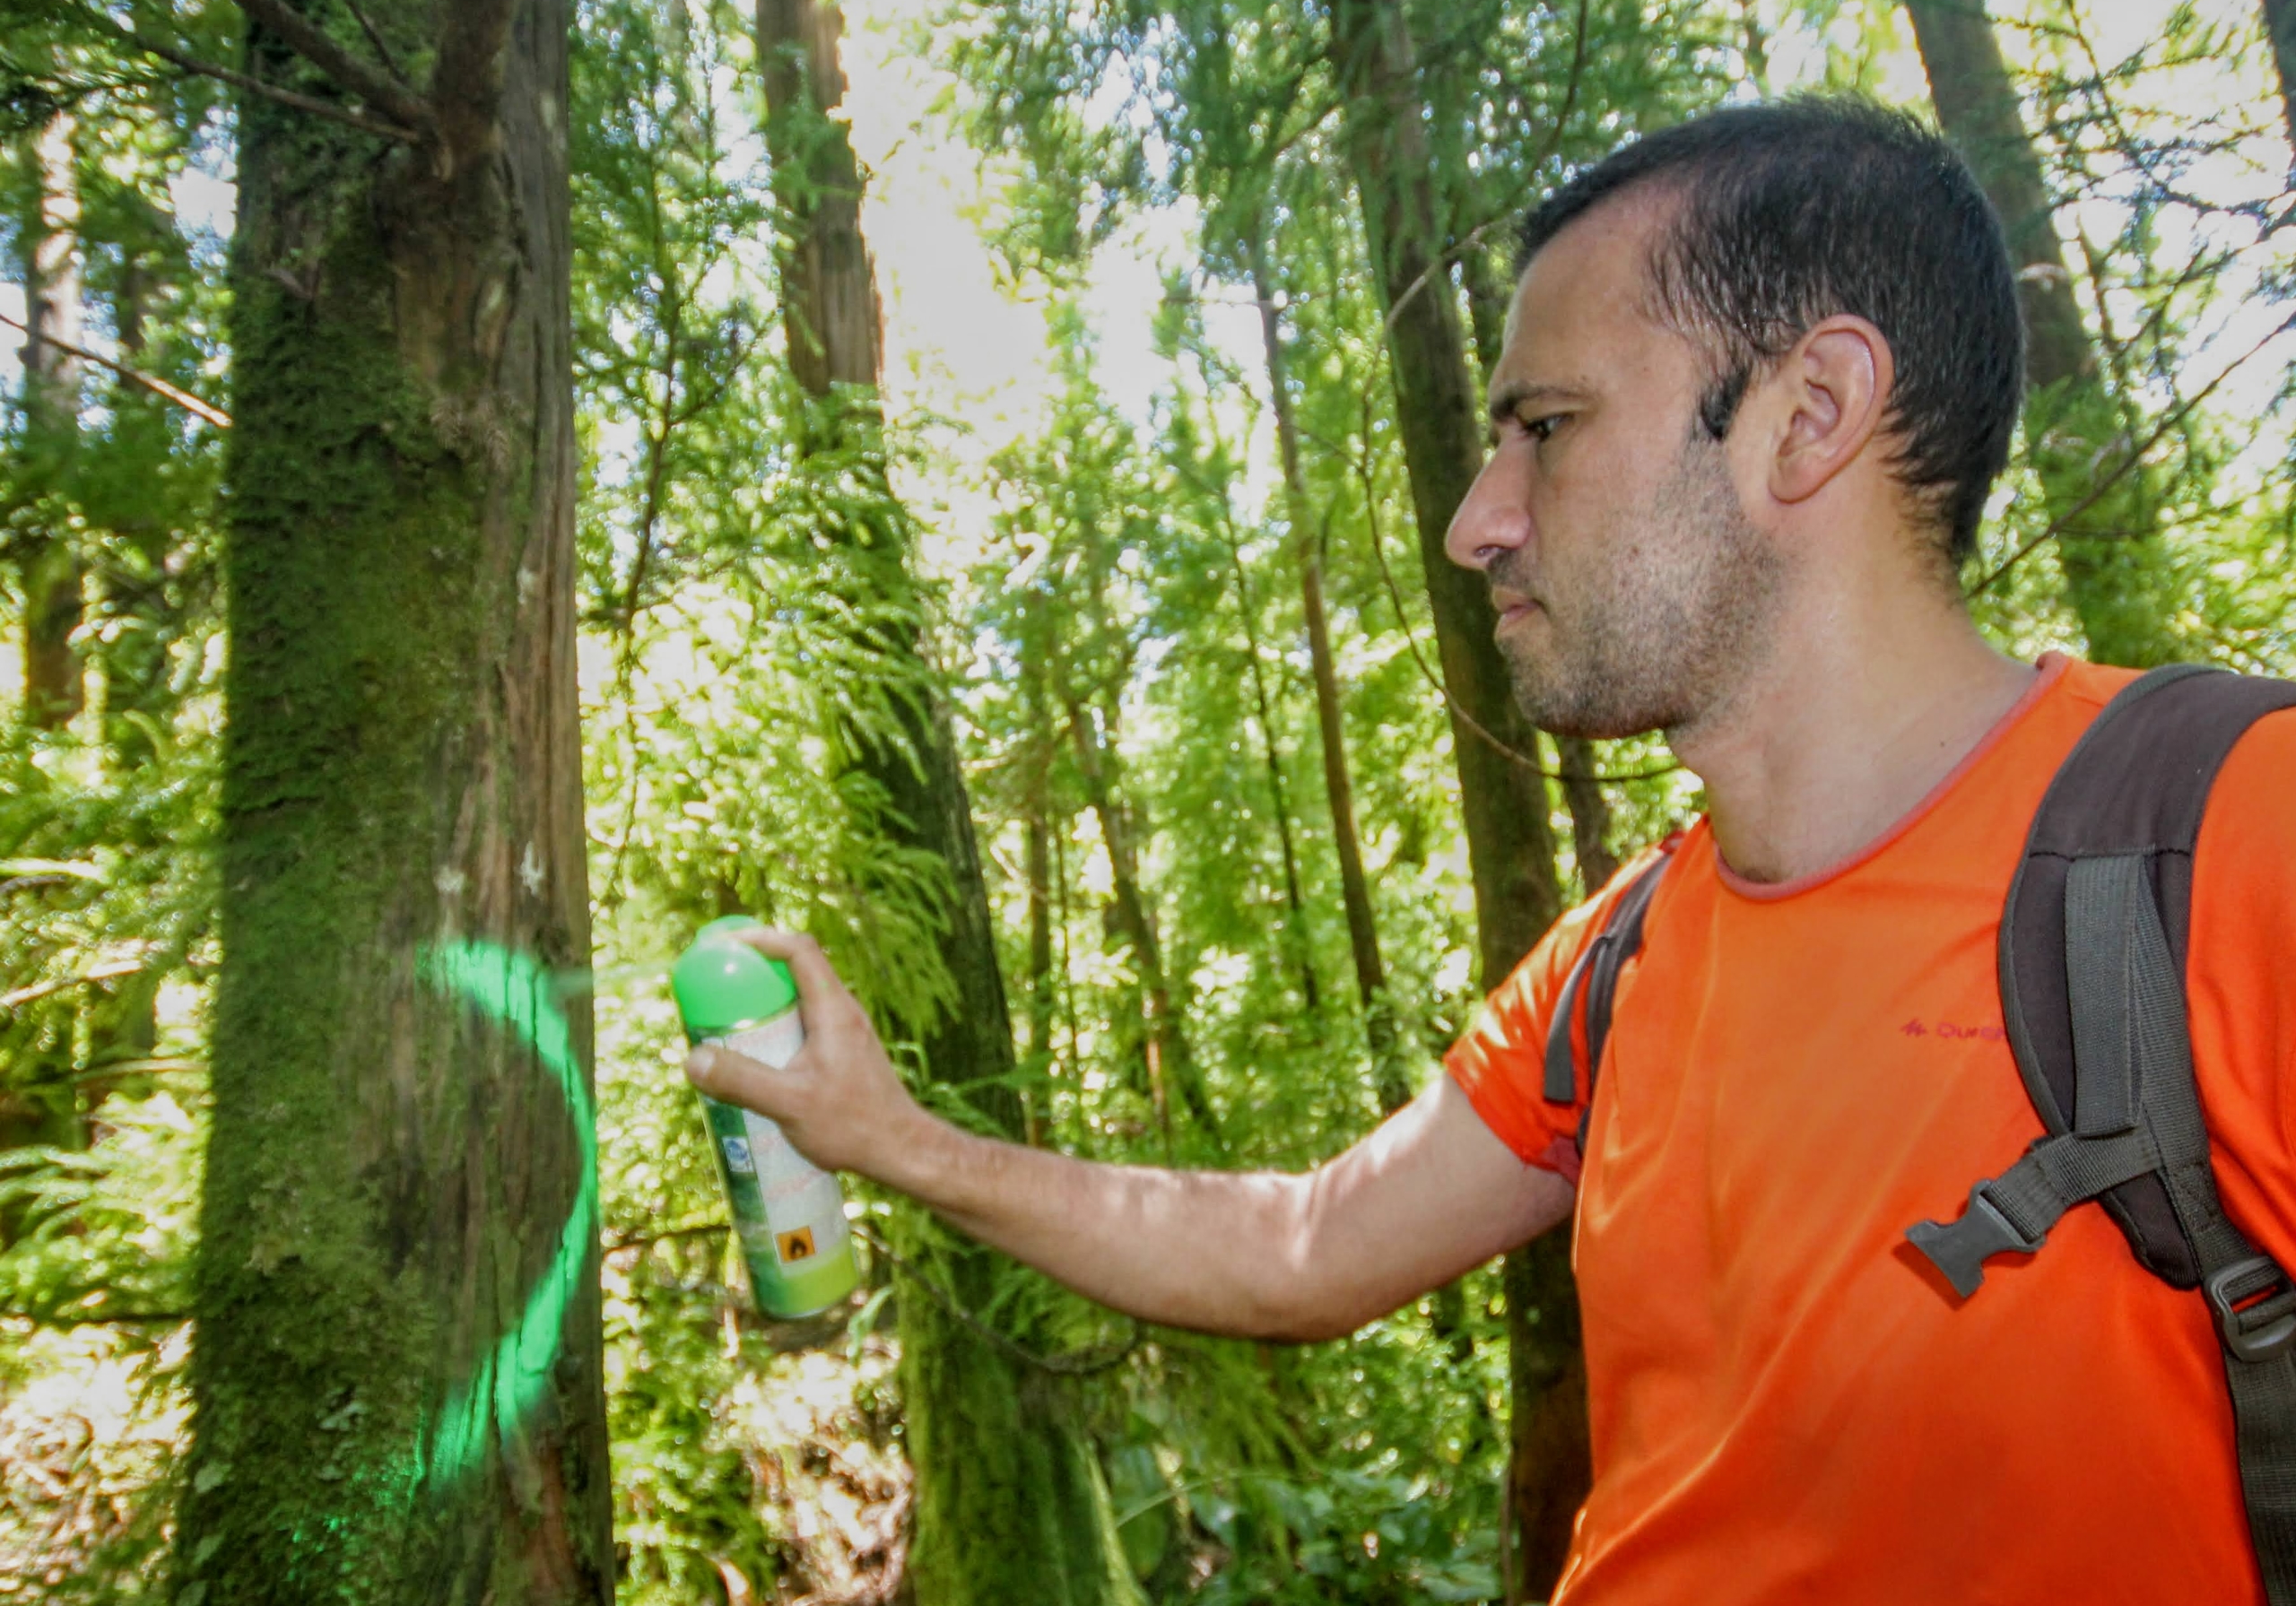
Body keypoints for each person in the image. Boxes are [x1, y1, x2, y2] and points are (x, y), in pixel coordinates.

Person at [687, 98, 2296, 1603]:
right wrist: (895, 1140)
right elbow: (1308, 1248)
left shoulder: (2228, 840)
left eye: (1545, 423)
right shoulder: (1625, 958)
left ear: (1811, 415)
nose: (1477, 517)